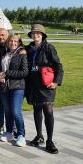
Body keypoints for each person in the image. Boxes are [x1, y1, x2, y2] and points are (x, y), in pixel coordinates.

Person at [25, 24, 63, 154]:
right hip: (34, 84)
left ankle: (50, 141)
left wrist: (56, 82)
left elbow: (58, 66)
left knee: (48, 110)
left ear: (42, 35)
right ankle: (39, 136)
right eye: (33, 33)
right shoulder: (29, 48)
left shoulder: (48, 48)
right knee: (37, 109)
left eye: (38, 33)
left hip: (46, 85)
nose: (35, 35)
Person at [0, 34, 28, 147]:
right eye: (11, 41)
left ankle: (21, 135)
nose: (13, 43)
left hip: (17, 87)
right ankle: (9, 132)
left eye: (15, 41)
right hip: (5, 87)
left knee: (16, 111)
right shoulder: (6, 53)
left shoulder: (22, 54)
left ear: (19, 43)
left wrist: (7, 73)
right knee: (8, 111)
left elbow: (24, 72)